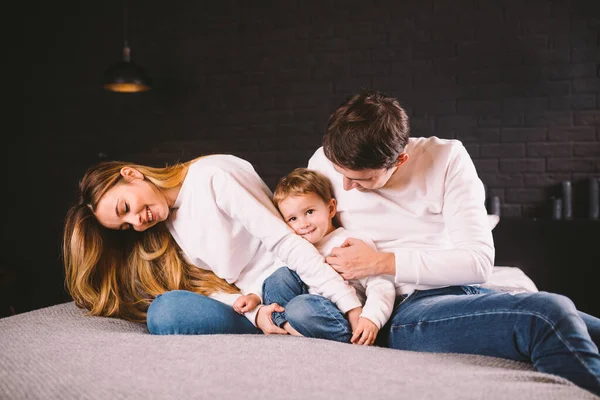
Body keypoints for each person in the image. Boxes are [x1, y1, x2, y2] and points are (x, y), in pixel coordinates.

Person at [272, 89, 599, 395]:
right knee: (547, 313)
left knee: (585, 324)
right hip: (400, 308)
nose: (345, 186)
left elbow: (478, 263)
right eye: (340, 173)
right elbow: (299, 239)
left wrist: (379, 261)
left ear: (399, 159)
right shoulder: (322, 162)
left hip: (461, 293)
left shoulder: (447, 158)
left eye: (363, 179)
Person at [62, 154, 364, 336]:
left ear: (131, 174)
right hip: (253, 303)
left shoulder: (213, 176)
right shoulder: (165, 226)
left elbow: (286, 241)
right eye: (127, 225)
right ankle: (276, 323)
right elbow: (208, 284)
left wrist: (350, 305)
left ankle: (307, 320)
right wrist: (253, 314)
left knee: (297, 300)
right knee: (164, 312)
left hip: (290, 280)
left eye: (125, 207)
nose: (138, 222)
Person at [256, 167, 396, 345]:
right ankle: (289, 328)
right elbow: (272, 278)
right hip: (305, 309)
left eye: (309, 212)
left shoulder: (349, 242)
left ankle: (347, 337)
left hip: (336, 315)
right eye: (293, 219)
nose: (303, 224)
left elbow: (380, 284)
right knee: (279, 277)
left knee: (300, 307)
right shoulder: (295, 246)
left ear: (330, 209)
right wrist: (255, 296)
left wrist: (371, 319)